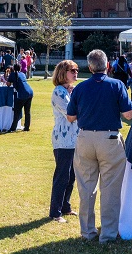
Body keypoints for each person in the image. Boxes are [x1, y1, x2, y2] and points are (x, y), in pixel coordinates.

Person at [66, 49, 132, 243]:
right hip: (110, 138)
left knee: (86, 188)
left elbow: (70, 117)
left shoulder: (80, 88)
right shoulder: (117, 85)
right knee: (110, 189)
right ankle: (108, 234)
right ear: (108, 65)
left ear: (90, 66)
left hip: (85, 137)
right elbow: (128, 114)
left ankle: (88, 232)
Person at [49, 60, 80, 223]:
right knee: (62, 175)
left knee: (72, 175)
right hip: (63, 140)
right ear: (63, 72)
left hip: (75, 139)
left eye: (76, 70)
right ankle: (55, 212)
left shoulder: (71, 91)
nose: (75, 73)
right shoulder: (59, 92)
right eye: (72, 70)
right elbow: (71, 115)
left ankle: (66, 206)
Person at [7, 62, 34, 132]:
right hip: (30, 92)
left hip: (22, 94)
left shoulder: (12, 74)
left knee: (17, 111)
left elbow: (8, 84)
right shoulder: (22, 74)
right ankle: (27, 127)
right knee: (27, 111)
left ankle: (13, 128)